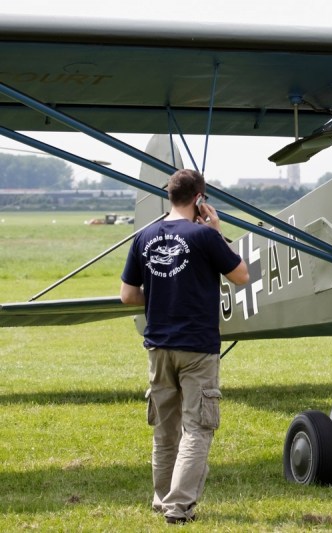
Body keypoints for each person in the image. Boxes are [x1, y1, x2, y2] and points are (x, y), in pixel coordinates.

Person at [120, 169, 249, 525]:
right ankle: (179, 508)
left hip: (158, 348)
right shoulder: (205, 237)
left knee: (165, 430)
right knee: (197, 428)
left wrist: (164, 291)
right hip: (197, 348)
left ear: (169, 197)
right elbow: (241, 276)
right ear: (199, 199)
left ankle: (163, 499)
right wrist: (217, 232)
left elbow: (127, 295)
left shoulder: (142, 237)